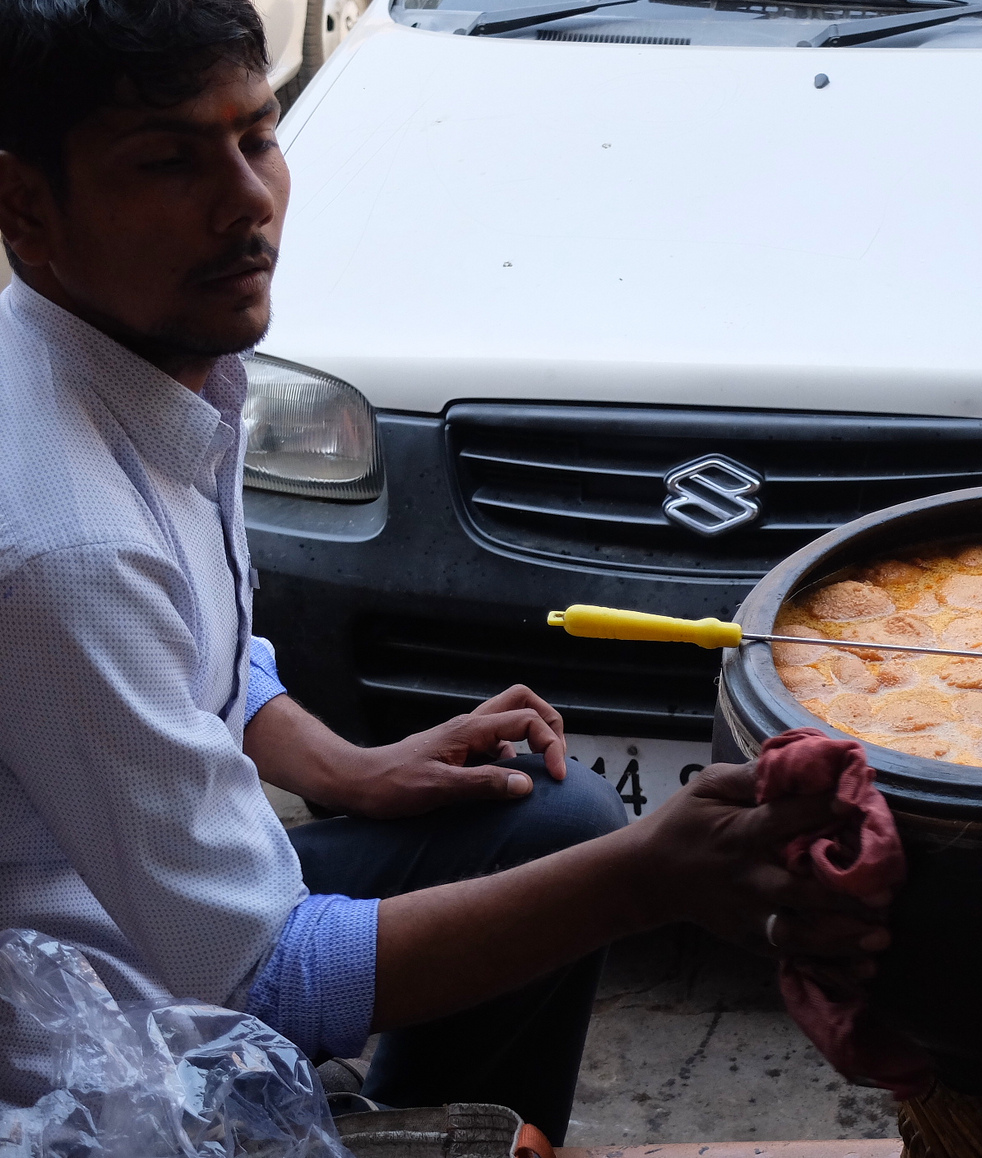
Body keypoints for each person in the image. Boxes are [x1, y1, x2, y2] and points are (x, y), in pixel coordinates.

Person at [0, 0, 888, 1136]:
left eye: (258, 137)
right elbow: (264, 979)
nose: (246, 202)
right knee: (593, 860)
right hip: (98, 1042)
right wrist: (645, 879)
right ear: (26, 206)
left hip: (162, 918)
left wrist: (348, 768)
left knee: (549, 815)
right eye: (168, 162)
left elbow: (209, 655)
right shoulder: (66, 542)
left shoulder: (134, 364)